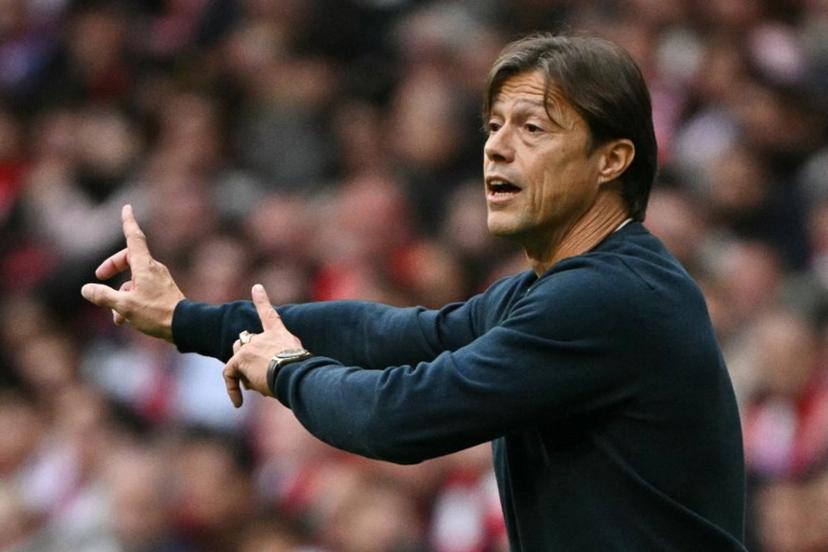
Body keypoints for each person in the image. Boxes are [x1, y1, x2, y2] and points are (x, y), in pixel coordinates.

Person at [81, 34, 747, 550]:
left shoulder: (606, 299)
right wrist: (185, 319)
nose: (496, 150)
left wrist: (285, 373)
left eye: (532, 129)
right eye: (493, 126)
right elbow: (388, 337)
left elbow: (399, 418)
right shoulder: (560, 290)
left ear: (612, 158)